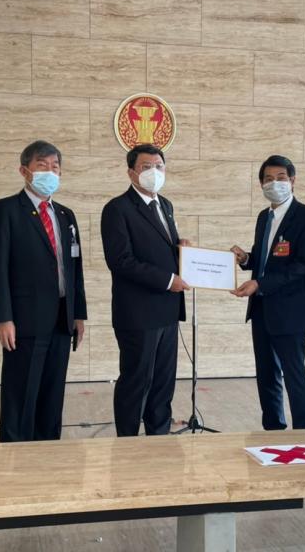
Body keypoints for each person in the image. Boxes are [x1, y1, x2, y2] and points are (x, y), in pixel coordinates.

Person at [0, 140, 87, 442]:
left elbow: (75, 269)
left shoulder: (65, 215)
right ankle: (14, 457)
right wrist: (3, 318)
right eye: (42, 165)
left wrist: (78, 314)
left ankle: (47, 455)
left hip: (61, 320)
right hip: (24, 322)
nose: (50, 172)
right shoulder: (5, 210)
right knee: (21, 398)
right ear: (24, 171)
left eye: (55, 167)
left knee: (51, 399)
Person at [101, 143, 189, 436]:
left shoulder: (166, 205)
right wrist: (168, 280)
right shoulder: (117, 209)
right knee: (136, 381)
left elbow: (160, 249)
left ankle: (158, 438)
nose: (155, 172)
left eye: (159, 166)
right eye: (146, 167)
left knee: (164, 382)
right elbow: (121, 260)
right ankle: (127, 441)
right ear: (131, 173)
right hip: (138, 313)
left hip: (168, 310)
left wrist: (182, 250)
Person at [230, 155, 305, 430]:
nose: (275, 183)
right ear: (261, 184)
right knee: (266, 375)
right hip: (261, 309)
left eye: (281, 177)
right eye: (268, 179)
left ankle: (303, 433)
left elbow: (303, 265)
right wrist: (246, 259)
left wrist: (260, 284)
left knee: (295, 376)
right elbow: (264, 259)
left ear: (292, 180)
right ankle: (273, 430)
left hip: (291, 311)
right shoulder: (264, 217)